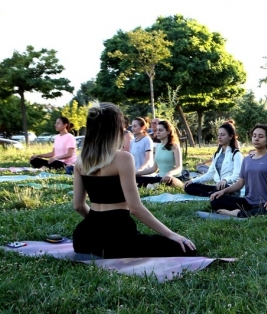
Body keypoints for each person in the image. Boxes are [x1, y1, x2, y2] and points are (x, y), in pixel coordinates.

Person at [72, 103, 196, 258]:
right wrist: (171, 234)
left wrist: (96, 224)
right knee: (186, 249)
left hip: (84, 238)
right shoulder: (122, 158)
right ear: (116, 129)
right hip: (118, 237)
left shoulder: (80, 161)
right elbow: (135, 208)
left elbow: (78, 205)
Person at [209, 124, 267, 217]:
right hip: (247, 201)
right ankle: (245, 211)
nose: (256, 139)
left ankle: (236, 213)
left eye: (261, 136)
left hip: (265, 203)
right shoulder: (247, 160)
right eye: (254, 136)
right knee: (215, 200)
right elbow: (240, 184)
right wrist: (223, 191)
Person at [184, 122, 243, 197]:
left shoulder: (236, 154)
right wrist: (192, 181)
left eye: (223, 135)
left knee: (220, 187)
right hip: (218, 187)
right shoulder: (217, 154)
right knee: (188, 186)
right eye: (218, 135)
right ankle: (211, 195)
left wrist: (225, 180)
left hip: (229, 188)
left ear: (230, 136)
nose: (219, 137)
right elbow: (209, 174)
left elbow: (237, 176)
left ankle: (214, 194)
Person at [136, 120, 184, 188]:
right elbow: (154, 168)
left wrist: (170, 173)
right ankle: (152, 185)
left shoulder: (174, 146)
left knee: (161, 182)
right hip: (160, 178)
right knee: (137, 179)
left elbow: (179, 168)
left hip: (173, 179)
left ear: (168, 131)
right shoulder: (157, 146)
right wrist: (137, 173)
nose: (158, 132)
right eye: (157, 130)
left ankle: (152, 186)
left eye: (160, 130)